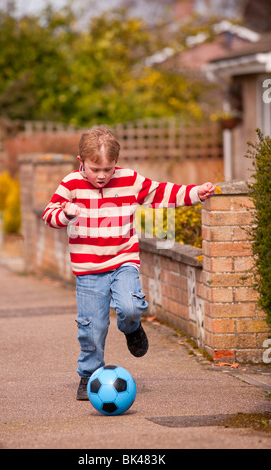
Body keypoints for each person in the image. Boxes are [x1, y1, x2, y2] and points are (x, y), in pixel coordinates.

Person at [42, 125, 215, 400]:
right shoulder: (71, 184)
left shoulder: (129, 180)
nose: (101, 176)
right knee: (92, 328)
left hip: (123, 259)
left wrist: (196, 193)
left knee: (131, 306)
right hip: (89, 271)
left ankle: (132, 327)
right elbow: (49, 215)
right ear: (81, 162)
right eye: (94, 169)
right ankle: (89, 374)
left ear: (116, 164)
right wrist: (66, 213)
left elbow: (161, 193)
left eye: (108, 169)